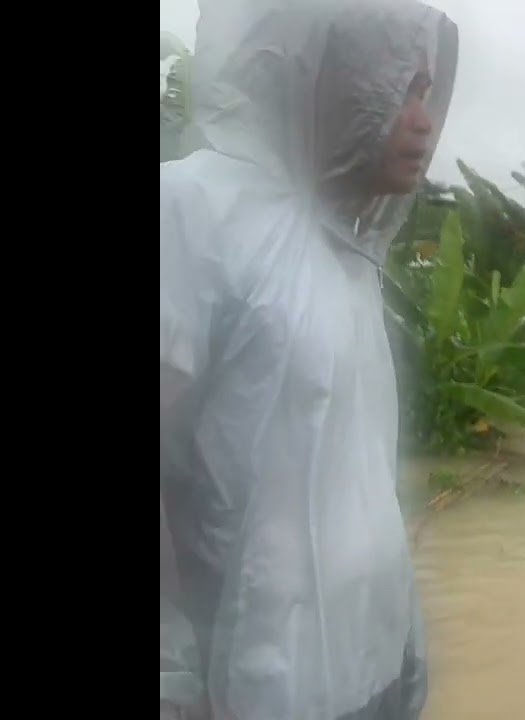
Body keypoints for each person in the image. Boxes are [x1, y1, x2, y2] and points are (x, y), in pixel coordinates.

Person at [159, 0, 458, 717]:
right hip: (250, 685)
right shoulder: (195, 211)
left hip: (369, 672)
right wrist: (174, 675)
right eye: (401, 88)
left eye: (427, 93)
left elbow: (356, 485)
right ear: (336, 81)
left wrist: (406, 645)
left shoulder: (347, 250)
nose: (424, 120)